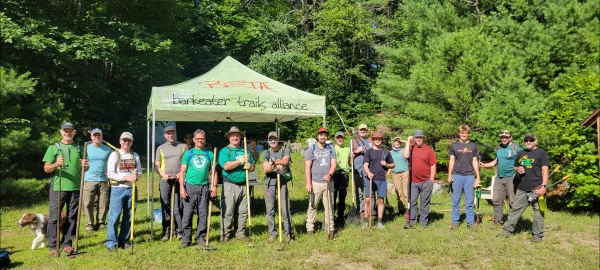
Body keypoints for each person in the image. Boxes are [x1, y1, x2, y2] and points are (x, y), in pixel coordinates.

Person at [42, 122, 89, 256]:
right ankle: (53, 246)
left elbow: (86, 167)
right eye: (65, 131)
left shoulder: (80, 148)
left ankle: (67, 243)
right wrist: (56, 164)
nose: (68, 133)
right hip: (58, 187)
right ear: (61, 132)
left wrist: (85, 165)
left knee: (72, 217)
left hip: (75, 187)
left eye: (70, 131)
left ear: (74, 132)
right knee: (54, 217)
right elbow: (46, 168)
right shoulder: (54, 148)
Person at [498, 132, 549, 243]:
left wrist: (544, 186)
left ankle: (538, 235)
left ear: (536, 141)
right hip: (522, 187)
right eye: (526, 140)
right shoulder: (521, 153)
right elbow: (515, 167)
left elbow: (545, 170)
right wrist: (518, 169)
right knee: (515, 209)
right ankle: (507, 230)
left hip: (537, 188)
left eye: (530, 140)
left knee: (538, 212)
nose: (528, 142)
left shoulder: (541, 153)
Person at [178, 129, 217, 249]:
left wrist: (214, 187)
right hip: (189, 186)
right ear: (194, 140)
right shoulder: (188, 154)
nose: (200, 140)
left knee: (203, 214)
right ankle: (186, 239)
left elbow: (214, 172)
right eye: (198, 138)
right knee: (187, 214)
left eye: (202, 138)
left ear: (205, 140)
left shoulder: (209, 154)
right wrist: (181, 188)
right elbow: (182, 172)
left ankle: (200, 237)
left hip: (204, 186)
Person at [106, 132, 142, 252]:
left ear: (132, 142)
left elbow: (140, 172)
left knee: (129, 216)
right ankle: (111, 243)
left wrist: (136, 176)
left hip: (131, 189)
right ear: (120, 141)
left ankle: (124, 241)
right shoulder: (114, 155)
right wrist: (125, 178)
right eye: (124, 140)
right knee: (114, 216)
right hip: (118, 189)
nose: (126, 143)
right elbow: (110, 173)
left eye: (129, 141)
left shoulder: (135, 155)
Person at [218, 126, 255, 242]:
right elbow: (226, 166)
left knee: (243, 211)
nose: (235, 137)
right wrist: (240, 161)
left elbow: (253, 167)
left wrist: (250, 167)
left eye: (237, 136)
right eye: (233, 135)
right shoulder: (225, 151)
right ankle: (225, 234)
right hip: (230, 185)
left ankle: (240, 234)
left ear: (240, 138)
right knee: (228, 210)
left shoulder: (245, 151)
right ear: (229, 137)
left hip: (244, 184)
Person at [480, 130, 522, 226]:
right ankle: (497, 222)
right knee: (496, 200)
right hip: (499, 177)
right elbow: (495, 162)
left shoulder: (516, 148)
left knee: (512, 201)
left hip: (512, 177)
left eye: (506, 137)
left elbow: (524, 160)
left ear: (510, 137)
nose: (504, 139)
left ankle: (512, 223)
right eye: (502, 137)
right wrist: (483, 165)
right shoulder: (498, 147)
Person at [155, 126, 187, 241]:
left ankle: (179, 231)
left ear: (175, 133)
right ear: (165, 135)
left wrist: (181, 174)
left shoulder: (183, 146)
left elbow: (186, 163)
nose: (170, 135)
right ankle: (167, 231)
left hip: (179, 180)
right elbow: (157, 165)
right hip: (165, 181)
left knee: (178, 206)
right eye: (168, 133)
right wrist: (163, 175)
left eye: (172, 133)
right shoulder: (161, 148)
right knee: (165, 205)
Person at [261, 131, 293, 243]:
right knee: (270, 210)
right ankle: (272, 233)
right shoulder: (265, 153)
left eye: (274, 139)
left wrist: (273, 163)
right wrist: (275, 165)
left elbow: (285, 161)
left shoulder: (285, 150)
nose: (273, 141)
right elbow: (265, 169)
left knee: (285, 209)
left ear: (278, 139)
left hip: (282, 182)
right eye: (270, 139)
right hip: (270, 183)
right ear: (268, 140)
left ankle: (289, 233)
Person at [305, 128, 337, 239]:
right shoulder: (312, 149)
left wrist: (330, 174)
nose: (323, 137)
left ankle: (331, 229)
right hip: (315, 183)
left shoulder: (331, 149)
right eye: (321, 135)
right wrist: (308, 183)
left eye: (325, 135)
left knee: (329, 207)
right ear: (318, 136)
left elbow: (333, 164)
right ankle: (310, 228)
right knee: (313, 205)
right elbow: (307, 167)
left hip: (328, 183)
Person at [448, 124, 481, 230]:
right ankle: (455, 222)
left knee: (469, 200)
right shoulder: (454, 146)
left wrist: (478, 177)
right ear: (459, 133)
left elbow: (475, 161)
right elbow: (451, 161)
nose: (464, 135)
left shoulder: (473, 146)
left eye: (466, 133)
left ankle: (470, 222)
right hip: (456, 175)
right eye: (462, 133)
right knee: (455, 200)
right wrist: (449, 175)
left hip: (469, 176)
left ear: (468, 134)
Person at [403, 130, 437, 228]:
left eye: (420, 137)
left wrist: (431, 180)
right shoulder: (411, 148)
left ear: (423, 138)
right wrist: (408, 142)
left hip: (426, 181)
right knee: (412, 202)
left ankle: (423, 222)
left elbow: (433, 165)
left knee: (424, 203)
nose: (418, 139)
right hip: (413, 181)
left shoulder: (429, 150)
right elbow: (405, 156)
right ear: (414, 138)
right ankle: (412, 221)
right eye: (416, 137)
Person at [82, 128, 112, 233]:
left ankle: (101, 223)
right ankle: (89, 224)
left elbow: (112, 163)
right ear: (91, 137)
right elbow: (81, 162)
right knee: (88, 203)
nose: (97, 137)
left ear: (102, 137)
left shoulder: (107, 149)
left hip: (103, 180)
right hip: (89, 179)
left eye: (99, 135)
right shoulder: (86, 148)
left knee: (103, 203)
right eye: (94, 135)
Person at [363, 132, 395, 228]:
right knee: (368, 200)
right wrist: (368, 173)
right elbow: (365, 165)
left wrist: (386, 165)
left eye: (379, 139)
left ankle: (380, 221)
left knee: (381, 200)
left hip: (381, 179)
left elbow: (393, 165)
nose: (378, 140)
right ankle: (365, 221)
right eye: (376, 138)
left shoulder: (386, 152)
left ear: (382, 140)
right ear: (373, 140)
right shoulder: (368, 152)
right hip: (371, 179)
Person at [352, 124, 373, 217]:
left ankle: (371, 211)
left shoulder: (371, 141)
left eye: (364, 129)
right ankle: (361, 210)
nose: (363, 131)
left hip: (369, 170)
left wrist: (363, 148)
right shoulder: (354, 141)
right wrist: (355, 152)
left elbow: (374, 152)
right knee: (359, 191)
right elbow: (351, 153)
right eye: (361, 129)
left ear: (366, 131)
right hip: (358, 169)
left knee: (370, 191)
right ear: (358, 130)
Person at [332, 131, 351, 227]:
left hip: (345, 174)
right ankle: (332, 216)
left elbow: (350, 161)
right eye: (338, 137)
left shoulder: (348, 149)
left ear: (343, 138)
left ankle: (340, 216)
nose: (340, 139)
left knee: (342, 196)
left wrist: (352, 159)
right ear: (335, 139)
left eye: (341, 137)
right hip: (335, 174)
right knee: (333, 196)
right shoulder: (332, 149)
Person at [388, 136, 409, 216]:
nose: (397, 143)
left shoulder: (404, 150)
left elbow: (411, 146)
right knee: (398, 192)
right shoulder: (390, 153)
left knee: (406, 192)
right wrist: (387, 173)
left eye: (399, 142)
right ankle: (401, 209)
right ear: (393, 142)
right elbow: (390, 165)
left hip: (405, 173)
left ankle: (408, 209)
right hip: (395, 173)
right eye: (395, 141)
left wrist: (405, 141)